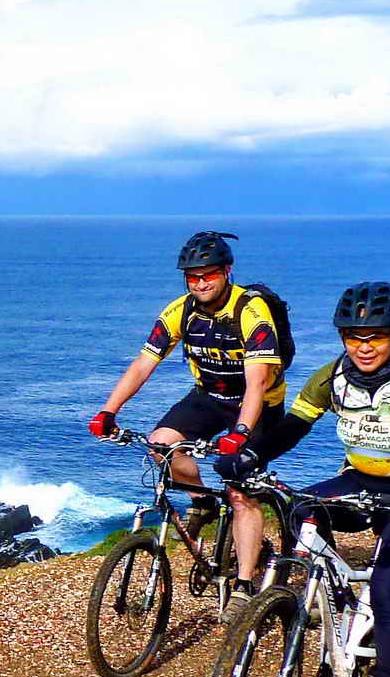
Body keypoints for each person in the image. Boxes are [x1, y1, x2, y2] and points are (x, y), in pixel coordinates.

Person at [214, 281, 390, 677]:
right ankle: (309, 598)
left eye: (375, 337)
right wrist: (249, 456)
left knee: (388, 590)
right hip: (362, 477)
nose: (363, 347)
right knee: (301, 510)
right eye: (353, 337)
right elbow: (292, 427)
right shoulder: (333, 377)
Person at [90, 231, 286, 595]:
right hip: (209, 397)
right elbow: (143, 365)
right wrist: (108, 411)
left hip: (257, 406)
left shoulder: (250, 312)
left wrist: (241, 431)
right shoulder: (180, 311)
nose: (200, 283)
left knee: (240, 491)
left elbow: (257, 383)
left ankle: (243, 586)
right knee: (160, 444)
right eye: (192, 277)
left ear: (227, 271)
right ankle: (203, 502)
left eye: (208, 274)